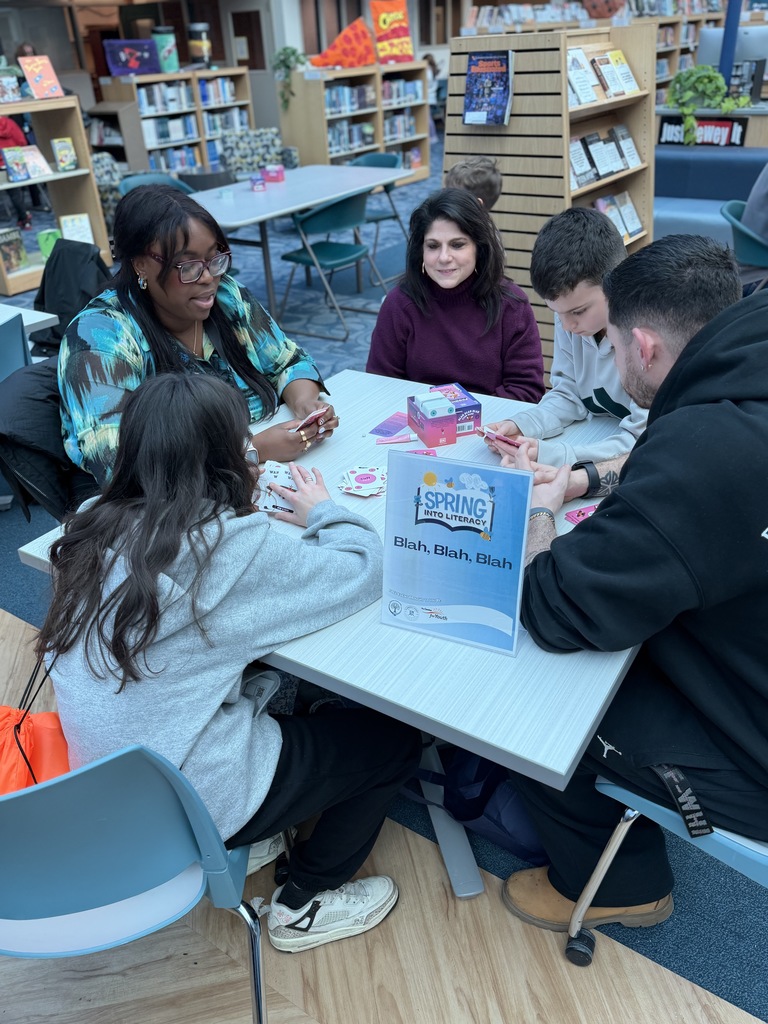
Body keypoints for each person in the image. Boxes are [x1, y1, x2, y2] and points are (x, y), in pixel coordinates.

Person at [37, 371, 422, 953]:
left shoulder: (90, 520)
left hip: (103, 780)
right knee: (394, 740)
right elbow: (366, 571)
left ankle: (267, 832)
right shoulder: (228, 548)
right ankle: (303, 902)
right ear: (222, 461)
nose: (255, 457)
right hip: (195, 796)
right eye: (246, 444)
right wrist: (325, 510)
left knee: (280, 683)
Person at [499, 234, 768, 934]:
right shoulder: (744, 366)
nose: (612, 363)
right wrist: (583, 481)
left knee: (536, 693)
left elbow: (552, 601)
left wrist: (538, 514)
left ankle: (620, 887)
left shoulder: (710, 450)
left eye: (612, 346)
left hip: (753, 756)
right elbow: (664, 476)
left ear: (642, 346)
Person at [58, 184, 337, 486]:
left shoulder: (226, 296)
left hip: (254, 482)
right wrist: (252, 450)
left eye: (214, 258)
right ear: (140, 264)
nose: (209, 278)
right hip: (169, 509)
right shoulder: (99, 337)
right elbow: (120, 466)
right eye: (188, 265)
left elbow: (288, 361)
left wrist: (305, 402)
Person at [484, 207, 648, 501]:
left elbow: (642, 441)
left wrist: (554, 454)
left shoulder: (646, 338)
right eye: (556, 313)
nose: (566, 326)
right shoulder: (571, 320)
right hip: (596, 443)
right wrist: (523, 424)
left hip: (631, 474)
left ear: (617, 285)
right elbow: (569, 394)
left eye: (578, 311)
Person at [366, 188, 545, 403]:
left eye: (457, 245)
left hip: (489, 427)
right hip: (418, 427)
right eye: (433, 246)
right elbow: (381, 385)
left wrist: (463, 421)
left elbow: (526, 390)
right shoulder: (399, 303)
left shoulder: (512, 305)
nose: (444, 257)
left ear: (479, 248)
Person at [0, 115, 33, 229]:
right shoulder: (10, 123)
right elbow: (22, 141)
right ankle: (24, 219)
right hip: (14, 162)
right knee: (16, 193)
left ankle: (23, 216)